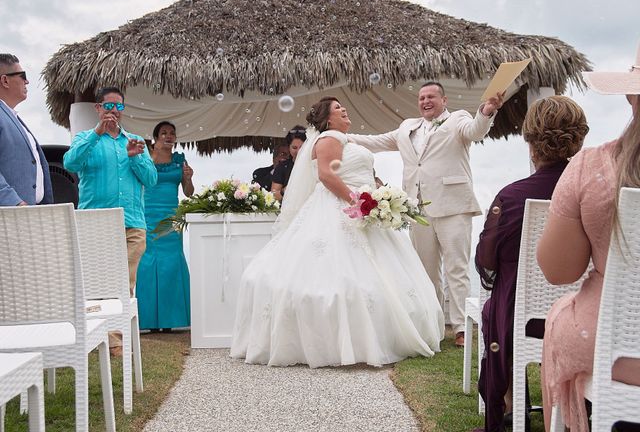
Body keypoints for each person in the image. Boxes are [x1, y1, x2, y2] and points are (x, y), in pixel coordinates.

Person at [230, 97, 445, 368]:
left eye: (344, 106)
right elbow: (327, 175)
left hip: (364, 206)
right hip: (339, 206)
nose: (344, 109)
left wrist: (378, 194)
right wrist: (357, 201)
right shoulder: (329, 138)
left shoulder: (348, 139)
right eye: (337, 109)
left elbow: (363, 170)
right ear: (327, 119)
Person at [350, 82, 504, 346]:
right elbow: (375, 141)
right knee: (425, 269)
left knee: (457, 267)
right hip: (417, 208)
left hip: (453, 204)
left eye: (431, 96)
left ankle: (462, 328)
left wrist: (487, 111)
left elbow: (476, 131)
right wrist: (340, 136)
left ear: (443, 99)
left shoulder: (458, 119)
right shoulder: (406, 127)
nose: (425, 101)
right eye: (421, 97)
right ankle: (432, 323)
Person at [538, 45, 640, 432]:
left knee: (562, 312)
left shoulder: (594, 168)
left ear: (632, 94)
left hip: (617, 350)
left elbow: (559, 270)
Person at [474, 96, 589, 432]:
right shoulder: (595, 190)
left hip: (521, 321)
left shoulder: (511, 197)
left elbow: (486, 261)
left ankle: (510, 408)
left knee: (493, 309)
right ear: (579, 138)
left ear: (530, 141)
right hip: (583, 315)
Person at [63, 86, 157, 356]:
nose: (114, 111)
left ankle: (114, 341)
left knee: (123, 282)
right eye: (109, 106)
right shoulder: (85, 138)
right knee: (95, 283)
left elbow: (150, 180)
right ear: (98, 108)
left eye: (119, 107)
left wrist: (135, 157)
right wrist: (97, 134)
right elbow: (70, 163)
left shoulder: (136, 140)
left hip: (132, 223)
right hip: (95, 222)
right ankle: (96, 336)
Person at [136, 121, 194, 332]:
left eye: (172, 133)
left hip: (171, 217)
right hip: (148, 214)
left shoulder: (179, 160)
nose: (168, 136)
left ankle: (170, 320)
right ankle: (149, 321)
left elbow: (189, 192)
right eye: (164, 133)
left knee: (171, 263)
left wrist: (188, 178)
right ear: (155, 137)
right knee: (148, 263)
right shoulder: (145, 157)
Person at [0, 54, 53, 206]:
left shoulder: (12, 116)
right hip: (10, 217)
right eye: (23, 76)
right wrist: (13, 201)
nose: (27, 81)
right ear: (5, 80)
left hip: (27, 215)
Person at [271, 126, 307, 201]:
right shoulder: (282, 167)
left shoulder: (315, 165)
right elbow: (274, 196)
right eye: (294, 147)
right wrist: (285, 190)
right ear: (288, 147)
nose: (298, 151)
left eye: (302, 147)